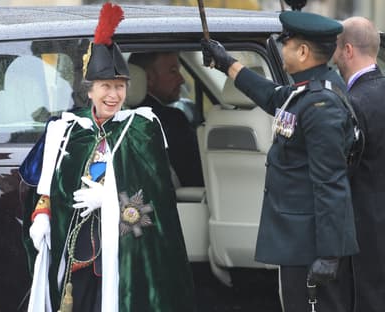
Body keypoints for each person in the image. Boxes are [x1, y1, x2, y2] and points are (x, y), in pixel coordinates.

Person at [21, 3, 196, 312]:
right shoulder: (67, 130)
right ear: (89, 91)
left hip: (124, 258)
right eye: (105, 87)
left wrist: (112, 200)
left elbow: (154, 210)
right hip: (75, 255)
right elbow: (47, 188)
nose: (113, 95)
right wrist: (42, 218)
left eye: (119, 87)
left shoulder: (142, 130)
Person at [201, 10, 359, 312]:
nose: (281, 48)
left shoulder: (322, 106)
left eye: (285, 43)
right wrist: (226, 64)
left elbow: (331, 184)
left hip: (311, 249)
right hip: (299, 244)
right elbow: (273, 96)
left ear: (302, 51)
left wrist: (329, 254)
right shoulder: (307, 92)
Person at [333, 17, 385, 312]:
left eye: (335, 49)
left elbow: (341, 170)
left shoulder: (352, 104)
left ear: (347, 50)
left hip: (368, 227)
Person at [128, 52, 204, 187]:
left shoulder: (114, 120)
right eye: (173, 71)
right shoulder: (172, 120)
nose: (181, 79)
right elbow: (196, 178)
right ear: (149, 78)